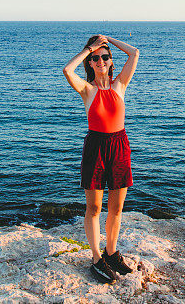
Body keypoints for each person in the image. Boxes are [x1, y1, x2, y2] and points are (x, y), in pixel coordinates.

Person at [62, 34, 140, 283]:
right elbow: (66, 70)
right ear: (90, 62)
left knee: (116, 207)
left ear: (111, 61)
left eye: (105, 57)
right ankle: (96, 258)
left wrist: (109, 40)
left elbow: (135, 53)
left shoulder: (120, 85)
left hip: (119, 145)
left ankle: (112, 252)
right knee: (94, 207)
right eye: (96, 58)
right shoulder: (87, 90)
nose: (101, 60)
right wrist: (89, 49)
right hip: (96, 147)